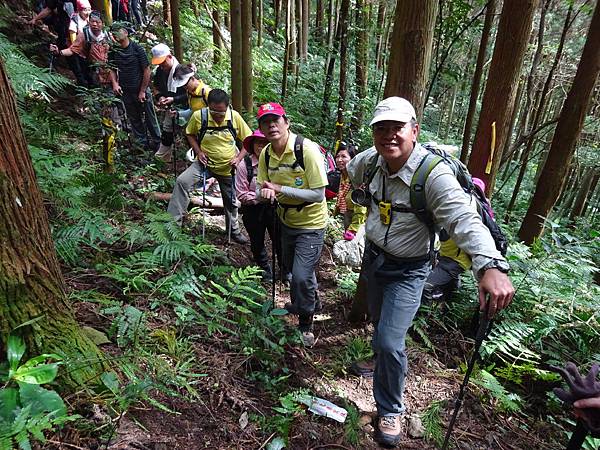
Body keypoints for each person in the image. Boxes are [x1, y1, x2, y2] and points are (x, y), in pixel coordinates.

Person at [346, 97, 514, 447]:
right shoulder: (369, 163)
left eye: (397, 128)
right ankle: (380, 362)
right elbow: (351, 178)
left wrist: (490, 264)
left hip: (410, 269)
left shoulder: (432, 174)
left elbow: (463, 219)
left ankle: (391, 408)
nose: (389, 135)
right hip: (374, 257)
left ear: (414, 131)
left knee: (391, 340)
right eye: (381, 128)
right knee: (379, 324)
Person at [256, 103, 329, 348]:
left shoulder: (306, 150)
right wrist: (264, 192)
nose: (271, 125)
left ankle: (306, 323)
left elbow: (319, 194)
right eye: (265, 122)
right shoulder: (266, 153)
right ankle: (312, 299)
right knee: (290, 269)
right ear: (261, 127)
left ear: (286, 122)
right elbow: (261, 185)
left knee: (300, 275)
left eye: (275, 120)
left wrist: (279, 189)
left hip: (311, 222)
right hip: (285, 220)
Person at [167, 88, 251, 245]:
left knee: (231, 201)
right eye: (214, 111)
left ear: (228, 106)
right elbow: (189, 133)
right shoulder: (200, 116)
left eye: (221, 112)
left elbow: (248, 140)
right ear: (208, 106)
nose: (218, 115)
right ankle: (172, 225)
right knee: (182, 181)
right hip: (204, 165)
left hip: (228, 168)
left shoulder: (234, 117)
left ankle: (233, 230)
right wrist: (198, 151)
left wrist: (238, 158)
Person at [235, 129, 282, 281]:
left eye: (264, 143)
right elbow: (241, 193)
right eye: (258, 143)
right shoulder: (245, 165)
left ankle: (285, 269)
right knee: (257, 240)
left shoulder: (278, 164)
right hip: (252, 210)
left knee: (280, 240)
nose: (261, 146)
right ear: (253, 145)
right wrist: (260, 197)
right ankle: (264, 269)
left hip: (275, 208)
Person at [108, 22, 161, 152]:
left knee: (150, 117)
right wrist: (115, 83)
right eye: (113, 32)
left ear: (125, 33)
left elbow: (146, 70)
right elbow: (111, 68)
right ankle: (142, 146)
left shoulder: (137, 49)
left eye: (118, 31)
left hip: (140, 89)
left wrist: (142, 91)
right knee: (134, 118)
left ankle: (159, 143)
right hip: (125, 91)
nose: (115, 35)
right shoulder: (114, 51)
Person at [50, 11, 111, 88]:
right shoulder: (84, 36)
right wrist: (58, 52)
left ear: (103, 23)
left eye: (97, 22)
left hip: (108, 71)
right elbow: (72, 50)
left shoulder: (107, 35)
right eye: (92, 21)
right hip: (93, 71)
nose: (94, 24)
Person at [151, 44, 188, 162]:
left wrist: (174, 99)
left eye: (163, 63)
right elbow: (156, 87)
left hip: (187, 109)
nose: (161, 66)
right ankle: (163, 158)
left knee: (189, 134)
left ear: (170, 57)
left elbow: (191, 94)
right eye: (159, 64)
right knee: (167, 131)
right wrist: (160, 97)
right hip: (170, 108)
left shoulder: (182, 71)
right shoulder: (160, 71)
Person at [333, 143, 367, 240]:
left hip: (359, 224)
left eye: (344, 156)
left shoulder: (357, 178)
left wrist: (353, 229)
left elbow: (361, 206)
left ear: (353, 159)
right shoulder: (343, 176)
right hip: (348, 217)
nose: (339, 160)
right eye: (338, 156)